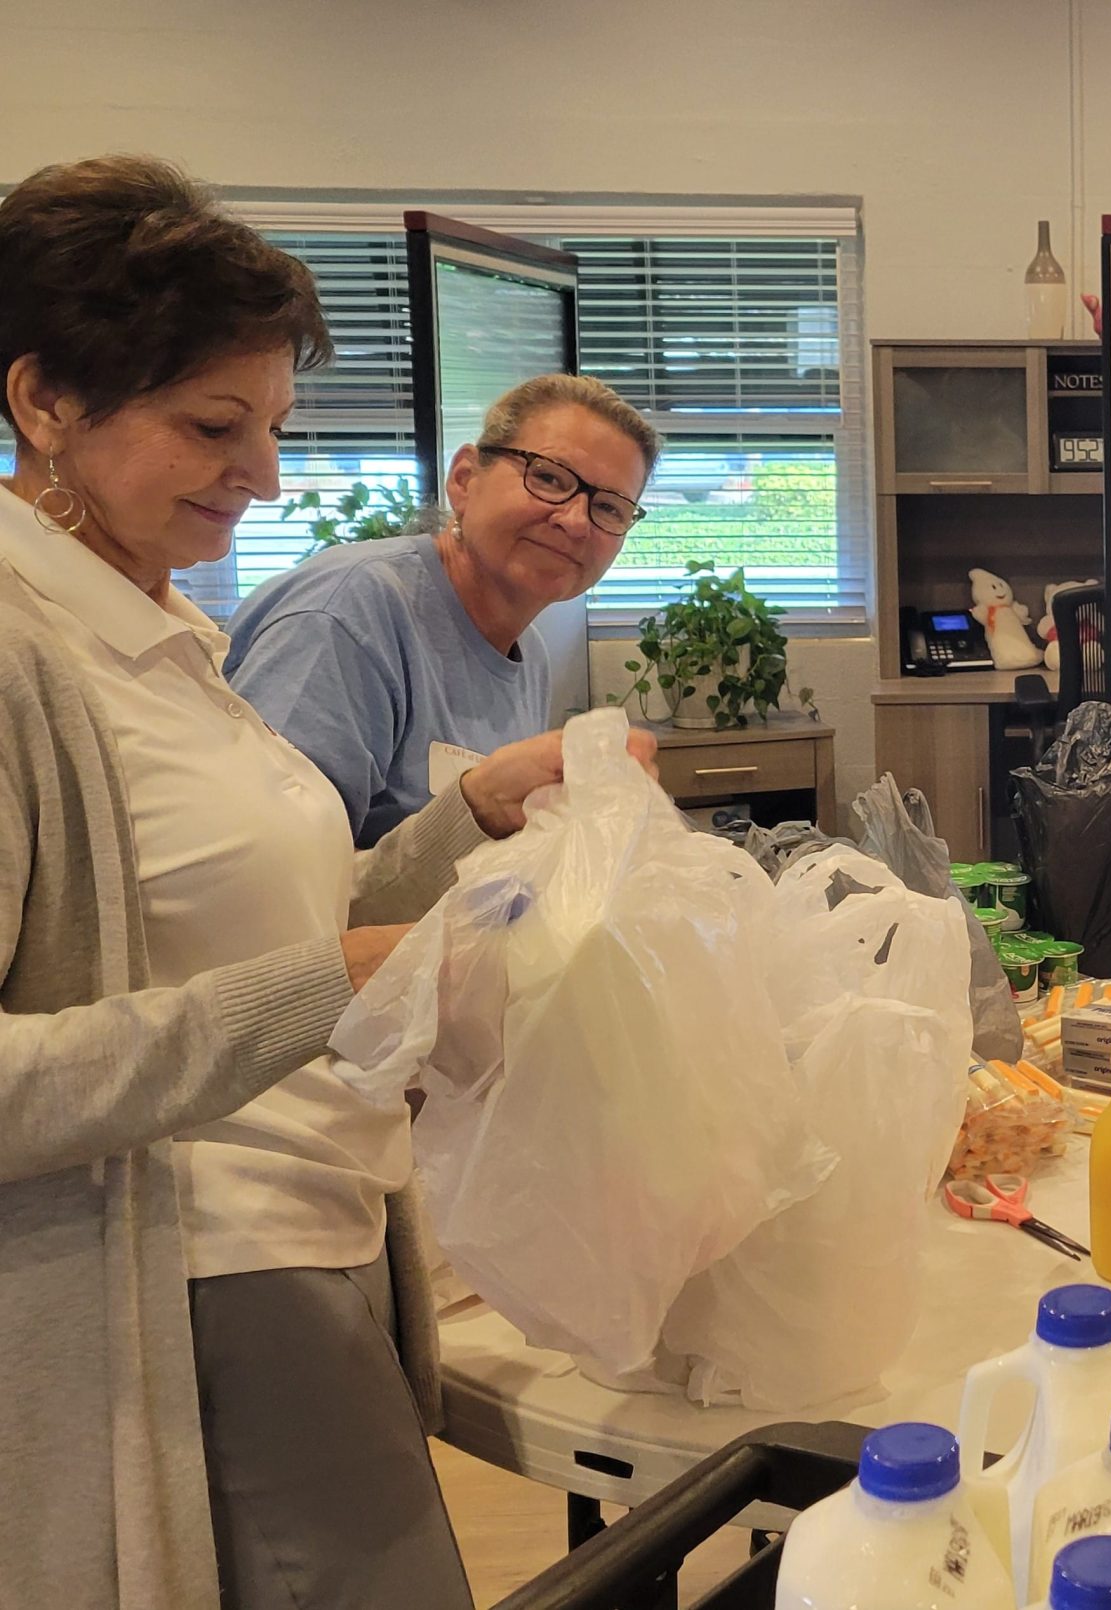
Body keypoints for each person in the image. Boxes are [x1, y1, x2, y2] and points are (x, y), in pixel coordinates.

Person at [0, 155, 654, 1609]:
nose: (266, 475)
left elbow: (283, 910)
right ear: (44, 400)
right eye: (212, 425)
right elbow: (285, 977)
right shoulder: (25, 654)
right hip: (199, 1261)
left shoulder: (156, 627)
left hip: (326, 1210)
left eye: (275, 427)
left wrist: (470, 817)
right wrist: (328, 985)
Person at [227, 373, 657, 846]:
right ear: (465, 479)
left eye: (610, 508)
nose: (575, 521)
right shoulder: (349, 613)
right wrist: (476, 808)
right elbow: (267, 873)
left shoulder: (528, 653)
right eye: (549, 478)